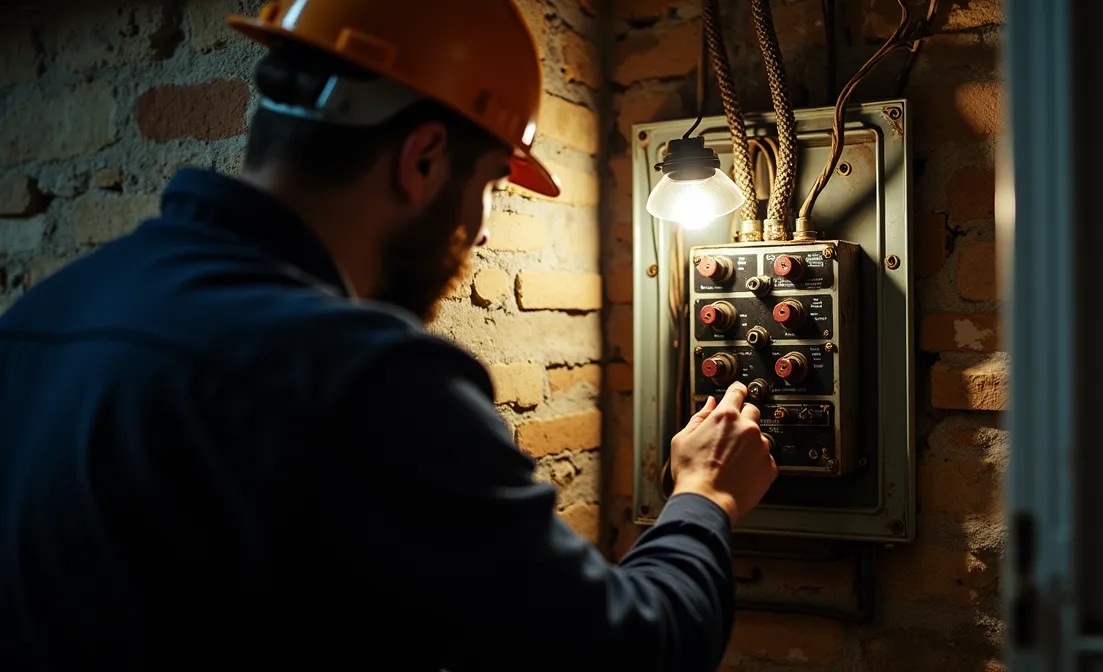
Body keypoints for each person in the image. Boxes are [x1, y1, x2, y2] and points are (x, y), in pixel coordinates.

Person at [0, 3, 778, 671]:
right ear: (425, 157)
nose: (475, 233)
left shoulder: (39, 318)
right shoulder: (363, 377)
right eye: (486, 190)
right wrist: (702, 497)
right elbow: (631, 655)